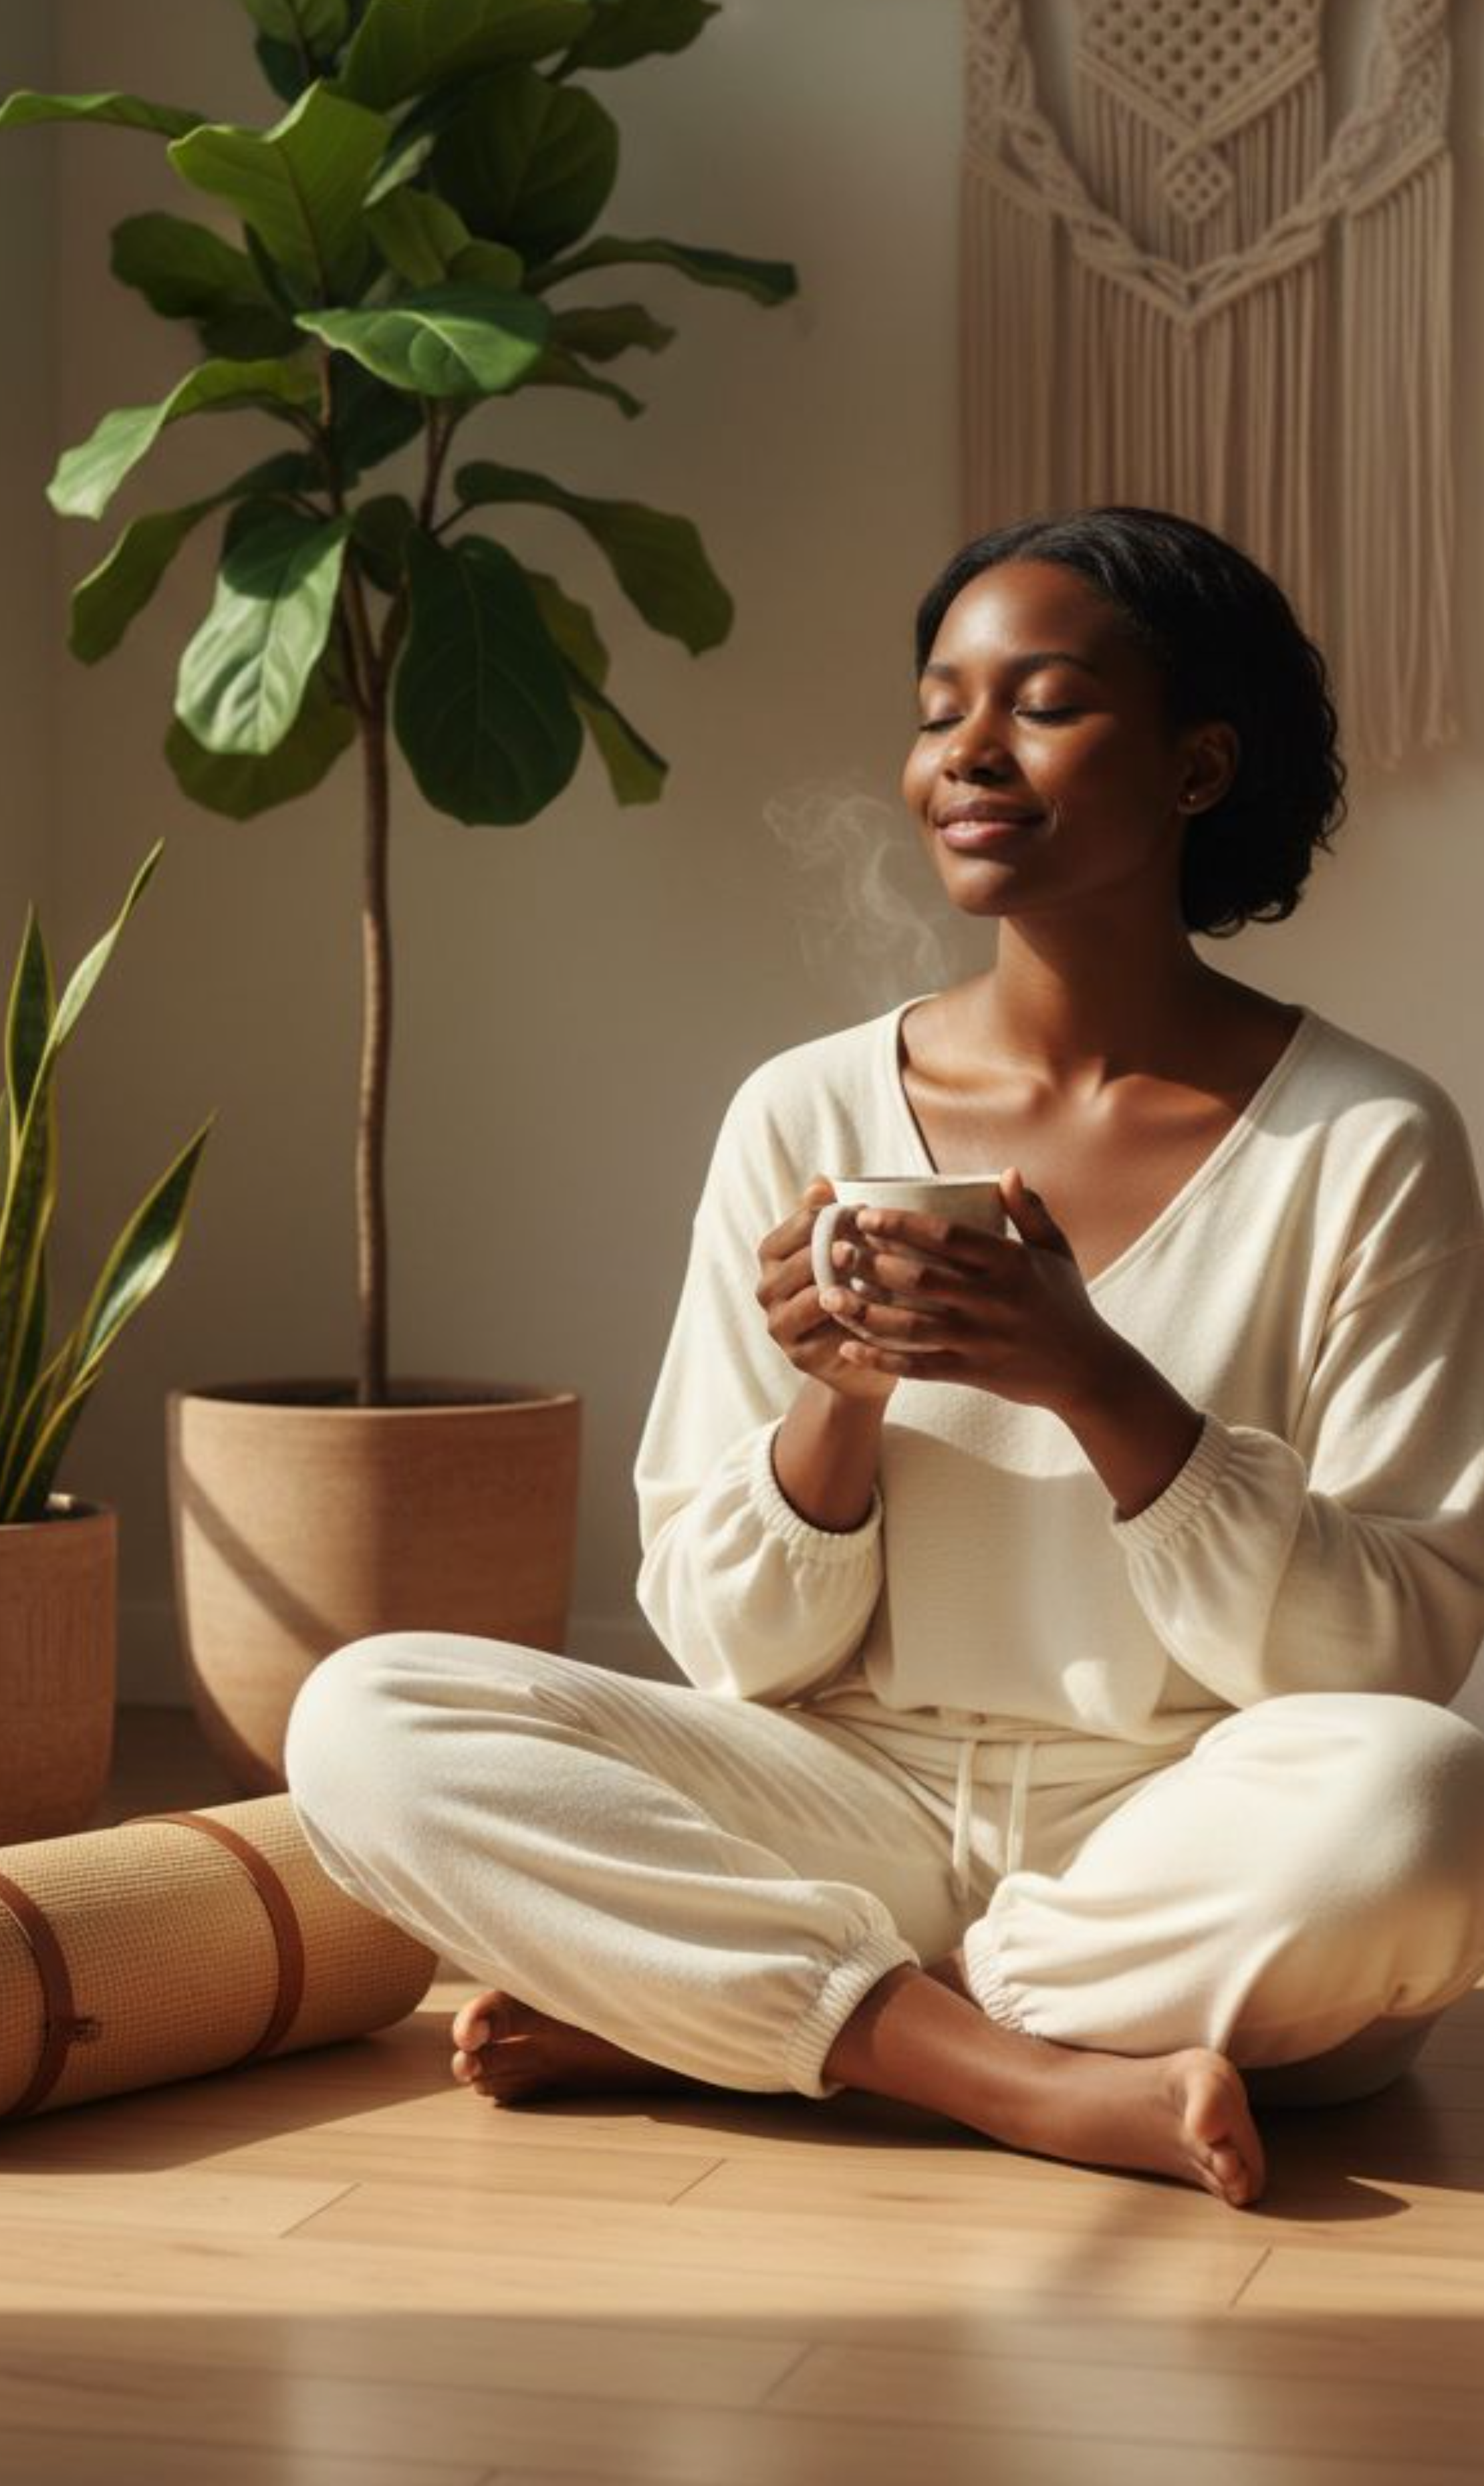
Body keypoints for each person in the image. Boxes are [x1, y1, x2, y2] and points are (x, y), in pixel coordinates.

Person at [285, 505, 1484, 2208]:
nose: (966, 754)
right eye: (939, 711)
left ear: (1198, 765)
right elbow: (731, 1644)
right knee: (366, 1714)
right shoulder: (802, 1110)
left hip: (1186, 1830)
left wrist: (1096, 1378)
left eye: (1043, 703)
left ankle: (761, 2011)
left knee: (1423, 1804)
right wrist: (831, 1398)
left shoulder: (1367, 1140)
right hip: (845, 1793)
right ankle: (993, 2067)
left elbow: (1393, 1650)